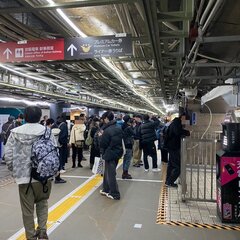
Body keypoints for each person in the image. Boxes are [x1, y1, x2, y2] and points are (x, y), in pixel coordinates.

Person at [4, 106, 53, 240]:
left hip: (24, 178)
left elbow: (8, 155)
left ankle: (30, 236)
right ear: (40, 117)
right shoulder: (47, 132)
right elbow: (54, 151)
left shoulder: (15, 132)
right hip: (43, 176)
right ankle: (42, 232)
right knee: (42, 203)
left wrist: (15, 170)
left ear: (25, 117)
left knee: (27, 210)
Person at [99, 111, 123, 200]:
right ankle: (106, 189)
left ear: (106, 118)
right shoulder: (118, 127)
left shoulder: (107, 130)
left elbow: (103, 144)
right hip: (117, 152)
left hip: (109, 153)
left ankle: (115, 193)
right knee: (107, 172)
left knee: (110, 174)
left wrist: (100, 137)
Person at [165, 113, 190, 188]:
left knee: (171, 165)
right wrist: (187, 132)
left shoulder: (175, 122)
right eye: (185, 119)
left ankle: (168, 181)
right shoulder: (176, 122)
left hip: (171, 146)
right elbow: (177, 131)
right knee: (178, 166)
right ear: (182, 117)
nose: (185, 122)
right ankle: (170, 182)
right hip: (173, 147)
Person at [46, 118, 66, 184]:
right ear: (51, 123)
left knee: (49, 164)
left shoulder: (44, 130)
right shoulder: (54, 130)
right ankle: (57, 178)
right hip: (55, 149)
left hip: (46, 151)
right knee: (57, 164)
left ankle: (50, 177)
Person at [122, 115, 135, 179]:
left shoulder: (123, 125)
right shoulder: (129, 127)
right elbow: (134, 133)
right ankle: (125, 173)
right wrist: (133, 126)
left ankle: (124, 172)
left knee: (125, 159)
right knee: (128, 160)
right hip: (128, 144)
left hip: (124, 144)